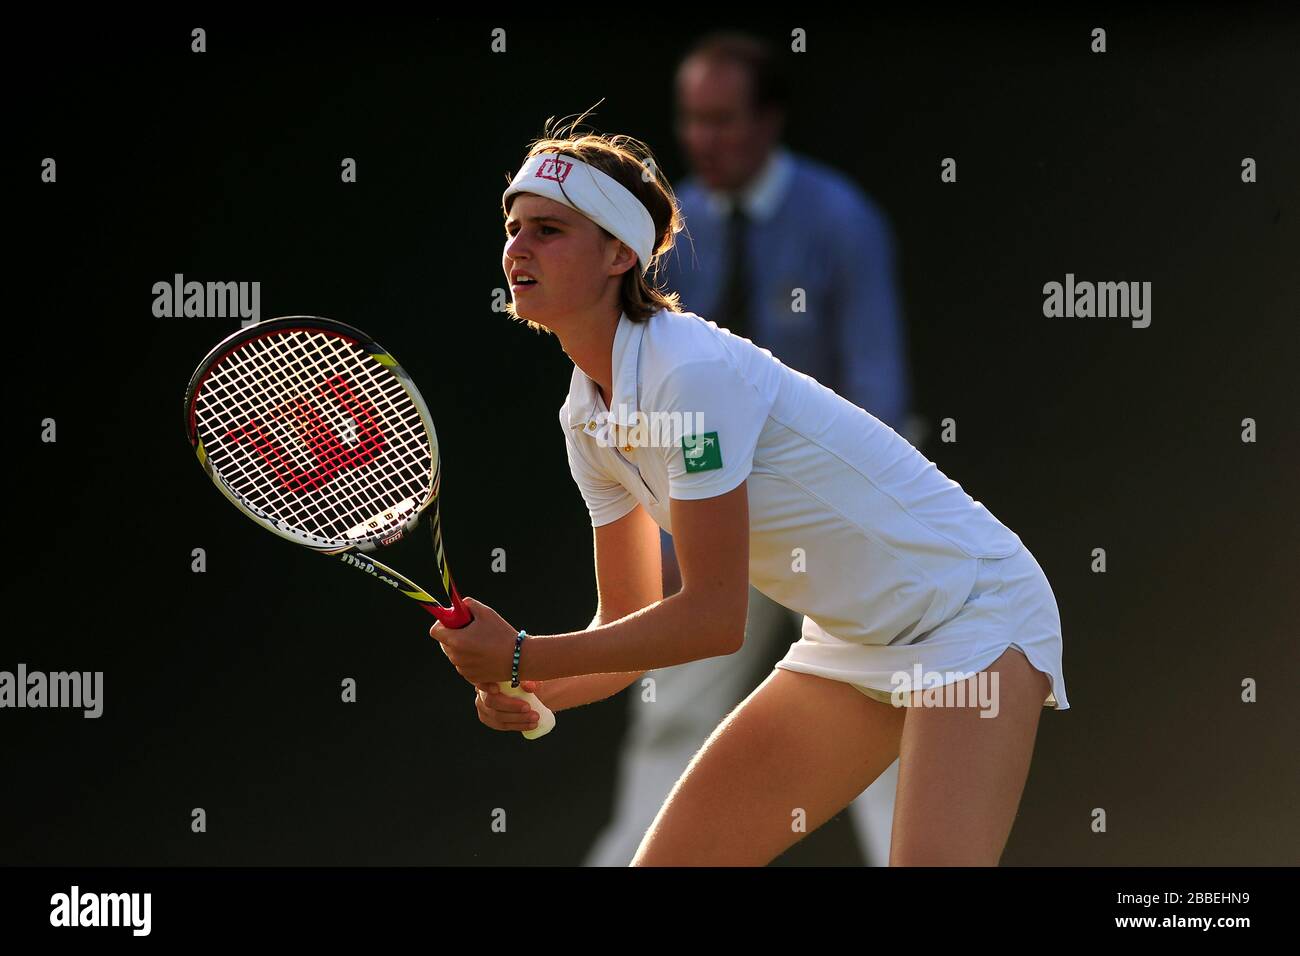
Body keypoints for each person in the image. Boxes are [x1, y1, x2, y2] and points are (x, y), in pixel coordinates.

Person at [431, 123, 1070, 867]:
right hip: (854, 642)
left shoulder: (689, 376)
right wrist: (536, 681)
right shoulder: (585, 417)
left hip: (974, 616)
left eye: (548, 230)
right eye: (514, 229)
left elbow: (711, 618)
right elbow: (631, 627)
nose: (517, 249)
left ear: (619, 254)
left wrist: (522, 654)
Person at [588, 31, 915, 867]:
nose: (705, 140)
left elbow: (880, 394)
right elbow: (654, 389)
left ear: (769, 122)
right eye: (692, 121)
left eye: (724, 120)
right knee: (672, 701)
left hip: (835, 512)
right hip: (708, 507)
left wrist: (865, 527)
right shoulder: (666, 233)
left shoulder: (842, 221)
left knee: (877, 702)